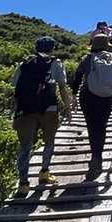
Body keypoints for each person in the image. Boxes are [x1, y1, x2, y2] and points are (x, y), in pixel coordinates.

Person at [10, 36, 74, 194]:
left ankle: (23, 184)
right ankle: (44, 173)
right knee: (49, 142)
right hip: (49, 109)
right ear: (52, 49)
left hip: (25, 109)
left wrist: (17, 110)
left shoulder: (25, 63)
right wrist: (68, 108)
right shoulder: (56, 63)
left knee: (25, 147)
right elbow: (62, 87)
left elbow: (15, 86)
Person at [71, 28, 112, 178]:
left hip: (88, 96)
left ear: (93, 45)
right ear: (107, 45)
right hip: (107, 97)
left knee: (92, 126)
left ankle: (95, 157)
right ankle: (98, 157)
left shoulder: (87, 58)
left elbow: (77, 77)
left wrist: (74, 95)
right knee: (102, 127)